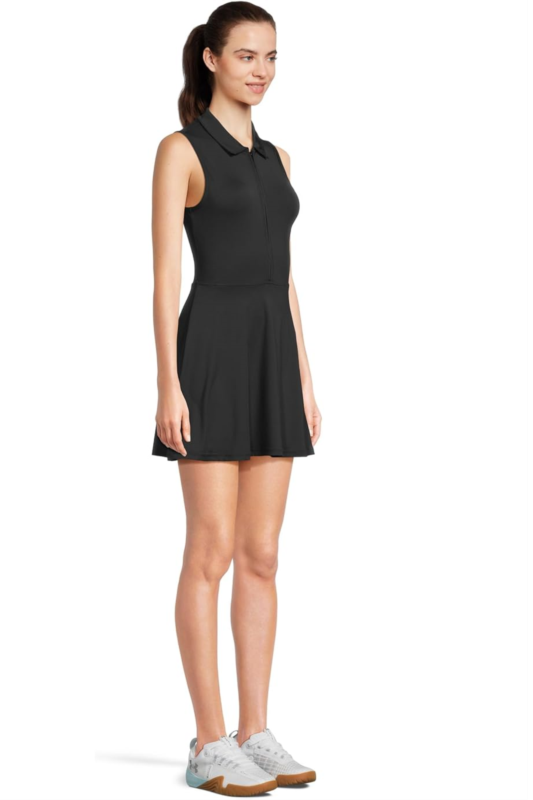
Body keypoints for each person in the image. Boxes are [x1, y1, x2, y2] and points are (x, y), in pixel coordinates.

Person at [151, 3, 322, 794]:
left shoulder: (278, 158)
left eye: (272, 57)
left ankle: (256, 731)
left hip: (273, 356)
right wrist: (168, 382)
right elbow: (164, 278)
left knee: (262, 555)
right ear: (213, 59)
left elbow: (284, 276)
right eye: (247, 55)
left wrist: (305, 379)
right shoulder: (180, 150)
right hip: (212, 353)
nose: (262, 70)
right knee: (211, 550)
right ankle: (208, 740)